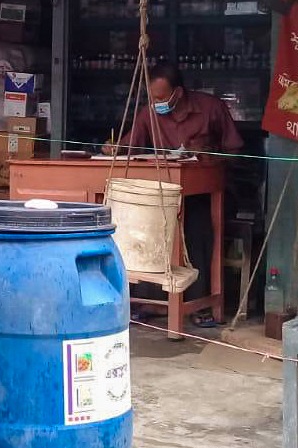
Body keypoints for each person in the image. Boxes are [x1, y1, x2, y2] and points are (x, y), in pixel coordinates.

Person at [102, 63, 243, 328]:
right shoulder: (148, 114)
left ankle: (199, 304)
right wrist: (113, 147)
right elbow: (128, 145)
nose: (156, 103)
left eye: (160, 98)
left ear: (178, 93)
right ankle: (150, 303)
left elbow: (236, 151)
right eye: (152, 97)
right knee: (144, 224)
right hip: (163, 196)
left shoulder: (211, 108)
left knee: (197, 225)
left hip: (206, 195)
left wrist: (209, 154)